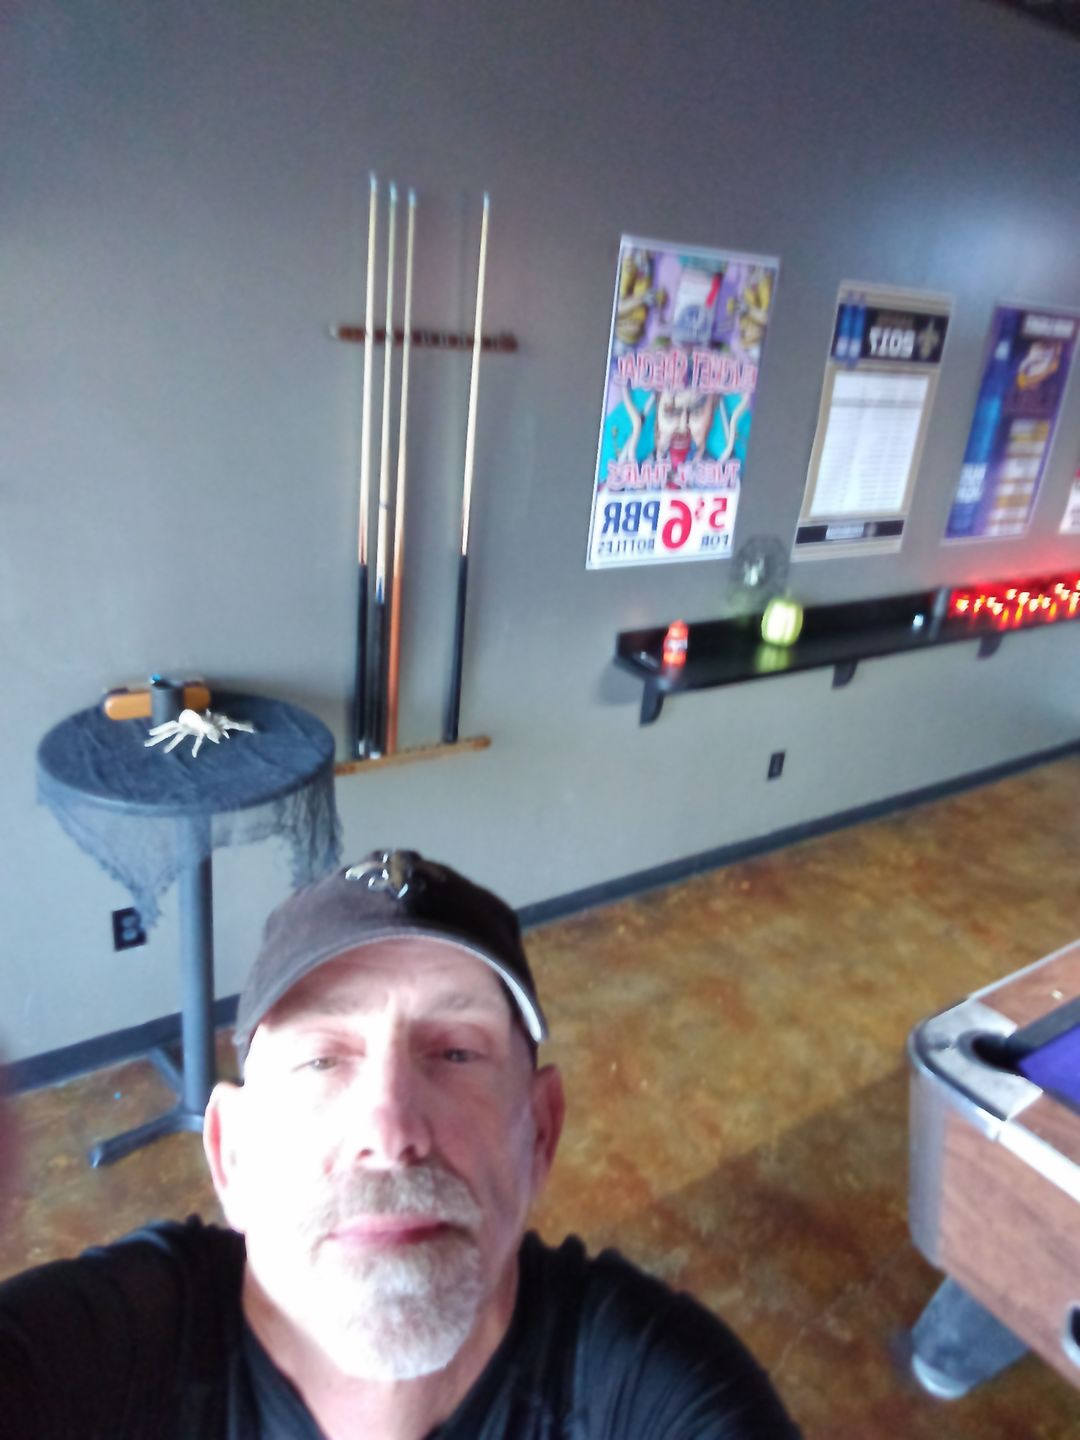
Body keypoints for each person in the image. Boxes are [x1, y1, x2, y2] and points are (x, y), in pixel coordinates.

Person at [0, 849, 799, 1438]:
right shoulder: (102, 1358)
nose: (391, 1132)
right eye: (322, 1060)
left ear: (541, 1134)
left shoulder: (647, 1388)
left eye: (455, 1052)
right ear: (231, 1155)